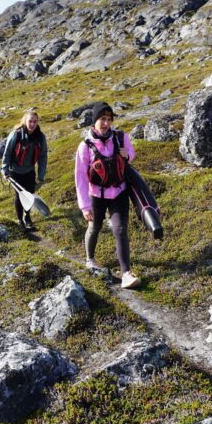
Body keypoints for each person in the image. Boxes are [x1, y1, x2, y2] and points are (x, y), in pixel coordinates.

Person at [75, 102, 140, 289]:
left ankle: (126, 273)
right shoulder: (85, 146)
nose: (106, 123)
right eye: (102, 119)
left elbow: (131, 154)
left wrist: (127, 154)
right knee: (94, 227)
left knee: (120, 229)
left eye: (109, 119)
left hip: (119, 192)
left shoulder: (120, 137)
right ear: (94, 121)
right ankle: (90, 259)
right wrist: (84, 206)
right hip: (95, 195)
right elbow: (80, 177)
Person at [1, 111, 48, 231]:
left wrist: (41, 174)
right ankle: (20, 220)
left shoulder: (40, 137)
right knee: (20, 195)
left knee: (29, 194)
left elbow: (43, 156)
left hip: (30, 171)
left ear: (37, 122)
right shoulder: (16, 134)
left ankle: (27, 216)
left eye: (35, 121)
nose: (32, 124)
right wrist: (4, 169)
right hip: (15, 171)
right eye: (30, 121)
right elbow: (7, 153)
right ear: (25, 121)